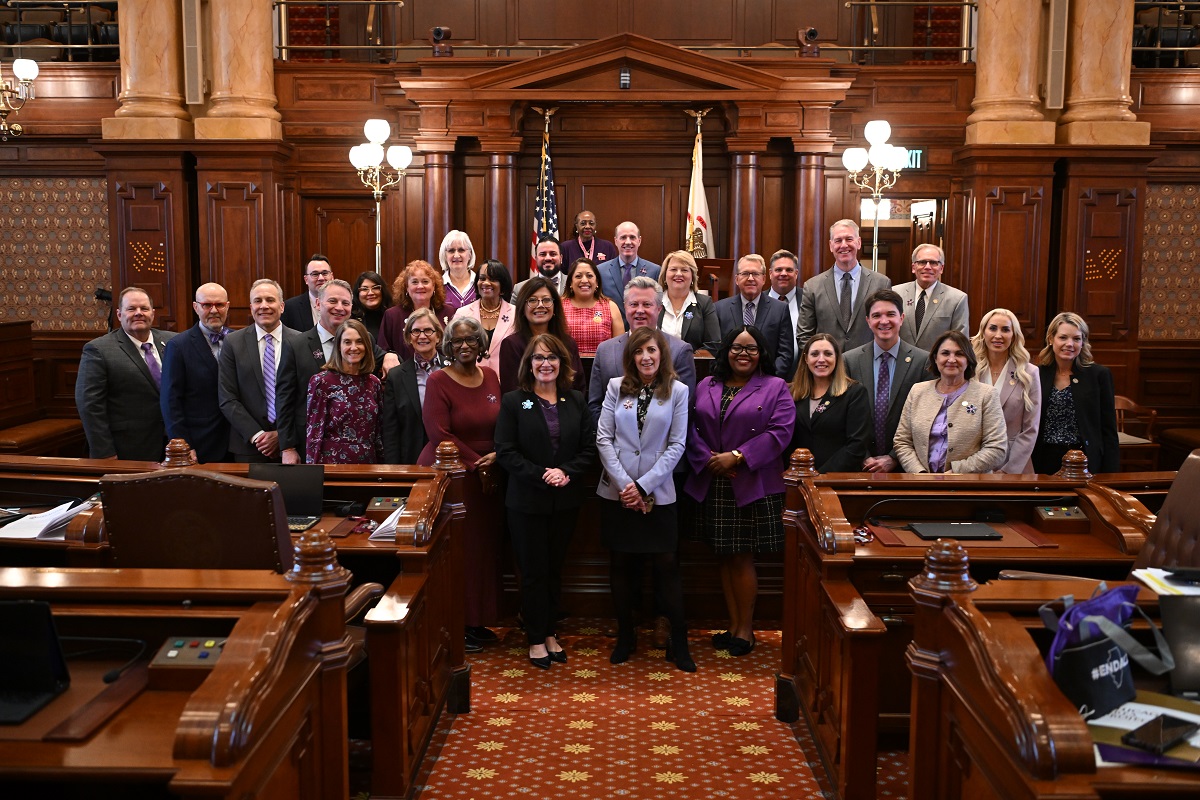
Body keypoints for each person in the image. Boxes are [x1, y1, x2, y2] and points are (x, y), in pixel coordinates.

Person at [685, 325, 795, 657]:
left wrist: (738, 456)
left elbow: (781, 431)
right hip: (711, 479)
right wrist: (707, 459)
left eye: (750, 348)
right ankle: (732, 625)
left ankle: (745, 630)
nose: (742, 354)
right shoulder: (706, 384)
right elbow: (689, 426)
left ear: (761, 353)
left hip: (752, 481)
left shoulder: (775, 386)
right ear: (725, 352)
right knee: (723, 555)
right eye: (736, 348)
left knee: (743, 557)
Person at [494, 334, 596, 669]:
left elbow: (588, 450)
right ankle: (536, 638)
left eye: (552, 357)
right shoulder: (516, 401)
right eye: (538, 358)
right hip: (526, 501)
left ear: (562, 363)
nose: (545, 364)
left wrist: (565, 472)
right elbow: (506, 452)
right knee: (534, 572)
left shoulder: (575, 400)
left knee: (554, 570)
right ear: (529, 364)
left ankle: (551, 633)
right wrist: (542, 474)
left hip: (564, 500)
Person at [595, 327, 693, 671]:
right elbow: (604, 439)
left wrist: (644, 486)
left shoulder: (677, 391)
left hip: (659, 492)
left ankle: (679, 643)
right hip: (617, 491)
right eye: (639, 352)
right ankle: (625, 637)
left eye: (651, 350)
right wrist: (626, 485)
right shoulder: (614, 387)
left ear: (661, 354)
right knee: (621, 564)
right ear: (631, 357)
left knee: (667, 566)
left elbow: (677, 445)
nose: (646, 357)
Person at [417, 316, 504, 649]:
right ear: (447, 347)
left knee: (483, 550)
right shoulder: (439, 380)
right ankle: (455, 624)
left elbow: (504, 421)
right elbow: (438, 433)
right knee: (458, 552)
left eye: (471, 340)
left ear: (482, 343)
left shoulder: (492, 376)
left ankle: (476, 619)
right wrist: (476, 463)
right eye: (457, 342)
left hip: (488, 475)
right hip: (453, 474)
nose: (465, 346)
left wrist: (495, 458)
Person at [276, 279, 387, 464]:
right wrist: (287, 447)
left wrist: (390, 356)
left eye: (345, 303)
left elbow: (376, 360)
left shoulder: (363, 338)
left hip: (364, 455)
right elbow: (284, 399)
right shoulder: (295, 345)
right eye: (333, 301)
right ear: (318, 304)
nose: (339, 308)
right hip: (311, 447)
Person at [76, 287, 177, 461]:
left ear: (152, 313)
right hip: (127, 448)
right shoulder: (99, 349)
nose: (139, 313)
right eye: (131, 309)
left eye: (144, 309)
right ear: (119, 314)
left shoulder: (173, 342)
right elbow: (90, 405)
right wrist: (104, 452)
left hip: (173, 445)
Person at [893, 330, 1007, 474]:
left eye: (959, 354)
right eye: (945, 353)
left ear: (968, 359)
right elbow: (902, 441)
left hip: (968, 487)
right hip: (922, 486)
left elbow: (997, 448)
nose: (951, 359)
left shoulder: (986, 395)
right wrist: (920, 474)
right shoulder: (917, 391)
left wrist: (956, 472)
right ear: (935, 358)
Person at [843, 290, 929, 473]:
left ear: (902, 317)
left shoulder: (923, 362)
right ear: (868, 321)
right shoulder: (849, 361)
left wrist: (894, 457)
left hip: (906, 467)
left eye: (891, 314)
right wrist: (863, 456)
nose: (884, 321)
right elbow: (844, 417)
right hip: (858, 466)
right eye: (876, 315)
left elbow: (926, 419)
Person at [590, 276, 697, 419]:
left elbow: (685, 409)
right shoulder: (605, 350)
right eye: (633, 304)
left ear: (659, 308)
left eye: (647, 304)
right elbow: (595, 405)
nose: (639, 310)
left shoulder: (680, 350)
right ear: (625, 307)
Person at [218, 279, 299, 463]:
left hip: (292, 445)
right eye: (257, 301)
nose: (264, 306)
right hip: (248, 446)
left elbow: (305, 397)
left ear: (282, 306)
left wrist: (282, 435)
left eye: (270, 300)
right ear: (251, 307)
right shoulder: (233, 343)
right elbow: (227, 398)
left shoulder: (300, 341)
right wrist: (258, 436)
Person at [1032, 312, 1120, 474]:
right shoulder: (1036, 374)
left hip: (1084, 459)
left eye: (1076, 339)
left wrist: (1111, 472)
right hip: (1043, 458)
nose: (1069, 344)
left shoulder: (1099, 375)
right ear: (1051, 339)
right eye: (1063, 337)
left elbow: (1108, 429)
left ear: (1083, 342)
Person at [160, 282, 232, 463]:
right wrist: (182, 445)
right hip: (200, 443)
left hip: (237, 442)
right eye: (207, 305)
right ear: (196, 307)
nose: (214, 310)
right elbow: (171, 400)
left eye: (219, 305)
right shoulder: (178, 346)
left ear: (227, 306)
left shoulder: (239, 339)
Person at [797, 219, 892, 352]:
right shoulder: (812, 286)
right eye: (838, 240)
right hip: (828, 367)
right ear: (831, 246)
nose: (843, 245)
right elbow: (804, 335)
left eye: (849, 239)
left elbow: (886, 328)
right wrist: (819, 360)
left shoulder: (881, 283)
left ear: (858, 243)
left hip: (866, 366)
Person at [786, 333, 870, 472]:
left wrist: (821, 475)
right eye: (814, 354)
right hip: (796, 478)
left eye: (828, 354)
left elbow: (857, 445)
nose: (821, 359)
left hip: (837, 480)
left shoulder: (855, 393)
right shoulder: (791, 393)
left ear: (837, 358)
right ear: (806, 358)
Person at [305, 319, 384, 464]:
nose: (354, 347)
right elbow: (314, 433)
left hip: (368, 462)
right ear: (338, 347)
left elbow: (378, 433)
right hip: (332, 463)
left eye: (359, 342)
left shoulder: (374, 382)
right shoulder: (322, 382)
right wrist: (313, 472)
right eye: (347, 342)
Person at [972, 308, 1041, 473]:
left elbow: (1030, 428)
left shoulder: (1029, 373)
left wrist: (1008, 471)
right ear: (983, 332)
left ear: (1014, 335)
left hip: (1014, 464)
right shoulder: (969, 370)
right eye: (993, 328)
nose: (998, 335)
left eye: (1005, 329)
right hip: (973, 462)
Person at [498, 276, 585, 395]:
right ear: (522, 308)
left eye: (546, 300)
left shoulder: (568, 343)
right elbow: (512, 391)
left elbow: (578, 388)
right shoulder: (512, 345)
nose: (540, 305)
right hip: (526, 411)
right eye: (532, 300)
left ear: (555, 307)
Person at [714, 253, 795, 378]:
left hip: (767, 383)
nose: (750, 278)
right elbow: (716, 350)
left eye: (755, 274)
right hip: (729, 381)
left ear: (763, 279)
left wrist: (769, 381)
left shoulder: (780, 309)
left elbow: (785, 353)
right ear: (736, 279)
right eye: (745, 274)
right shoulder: (720, 308)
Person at [381, 309, 445, 464]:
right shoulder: (396, 377)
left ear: (438, 336)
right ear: (409, 337)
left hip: (448, 457)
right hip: (411, 459)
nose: (422, 336)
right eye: (416, 331)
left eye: (428, 330)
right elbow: (390, 430)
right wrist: (393, 470)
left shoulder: (453, 369)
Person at [894, 243, 970, 351]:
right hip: (900, 364)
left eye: (934, 263)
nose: (928, 267)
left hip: (936, 365)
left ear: (941, 268)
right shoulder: (896, 293)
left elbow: (961, 342)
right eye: (922, 262)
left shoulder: (957, 299)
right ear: (913, 267)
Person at [453, 259, 516, 377]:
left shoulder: (516, 314)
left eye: (492, 279)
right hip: (470, 381)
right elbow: (453, 350)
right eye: (482, 278)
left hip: (506, 382)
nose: (486, 283)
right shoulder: (462, 314)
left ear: (503, 284)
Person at [378, 259, 447, 360]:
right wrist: (388, 356)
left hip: (442, 373)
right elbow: (381, 350)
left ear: (434, 286)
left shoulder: (449, 313)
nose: (420, 286)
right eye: (414, 282)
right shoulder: (392, 316)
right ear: (406, 287)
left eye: (425, 281)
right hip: (403, 374)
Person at [657, 249, 720, 353]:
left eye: (684, 270)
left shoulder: (704, 304)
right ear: (665, 275)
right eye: (673, 269)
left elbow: (714, 344)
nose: (678, 274)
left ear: (692, 276)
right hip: (657, 366)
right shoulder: (653, 302)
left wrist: (686, 359)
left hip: (691, 366)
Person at [561, 256, 625, 354]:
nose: (584, 280)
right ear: (570, 282)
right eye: (578, 276)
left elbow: (620, 349)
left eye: (589, 276)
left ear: (597, 282)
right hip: (567, 367)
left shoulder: (611, 307)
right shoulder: (559, 306)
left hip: (602, 367)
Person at [599, 221, 661, 321]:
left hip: (643, 330)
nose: (628, 242)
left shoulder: (655, 270)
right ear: (615, 241)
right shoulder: (601, 271)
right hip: (612, 331)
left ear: (639, 241)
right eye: (623, 237)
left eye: (632, 237)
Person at [281, 254, 333, 332]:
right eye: (315, 274)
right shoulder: (290, 308)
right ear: (306, 279)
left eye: (325, 273)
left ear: (332, 277)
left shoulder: (344, 306)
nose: (321, 278)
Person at [439, 229, 477, 319]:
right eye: (451, 251)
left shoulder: (480, 284)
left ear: (470, 254)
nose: (456, 255)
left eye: (461, 250)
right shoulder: (437, 286)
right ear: (445, 256)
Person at [766, 249, 801, 343]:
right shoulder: (758, 300)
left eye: (789, 270)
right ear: (770, 273)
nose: (784, 273)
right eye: (778, 270)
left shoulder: (808, 298)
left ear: (796, 274)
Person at [352, 270, 392, 341]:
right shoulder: (351, 318)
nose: (370, 293)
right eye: (364, 289)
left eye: (375, 288)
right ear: (357, 293)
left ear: (382, 291)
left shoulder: (392, 316)